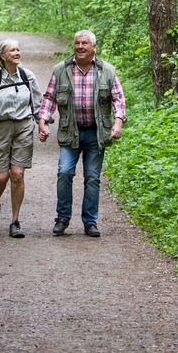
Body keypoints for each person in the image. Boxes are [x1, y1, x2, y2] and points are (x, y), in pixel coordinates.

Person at [38, 29, 125, 237]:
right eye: (77, 43)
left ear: (93, 47)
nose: (80, 47)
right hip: (71, 132)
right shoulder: (61, 70)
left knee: (92, 178)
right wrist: (43, 121)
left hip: (96, 134)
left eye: (85, 43)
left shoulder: (107, 70)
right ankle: (62, 218)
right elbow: (49, 98)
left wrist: (118, 122)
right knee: (65, 172)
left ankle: (90, 222)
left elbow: (118, 99)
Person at [0, 39, 42, 238]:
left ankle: (15, 221)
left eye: (18, 49)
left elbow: (37, 103)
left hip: (23, 127)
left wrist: (42, 124)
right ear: (3, 56)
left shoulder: (27, 76)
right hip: (0, 128)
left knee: (17, 174)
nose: (17, 52)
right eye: (13, 50)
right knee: (1, 176)